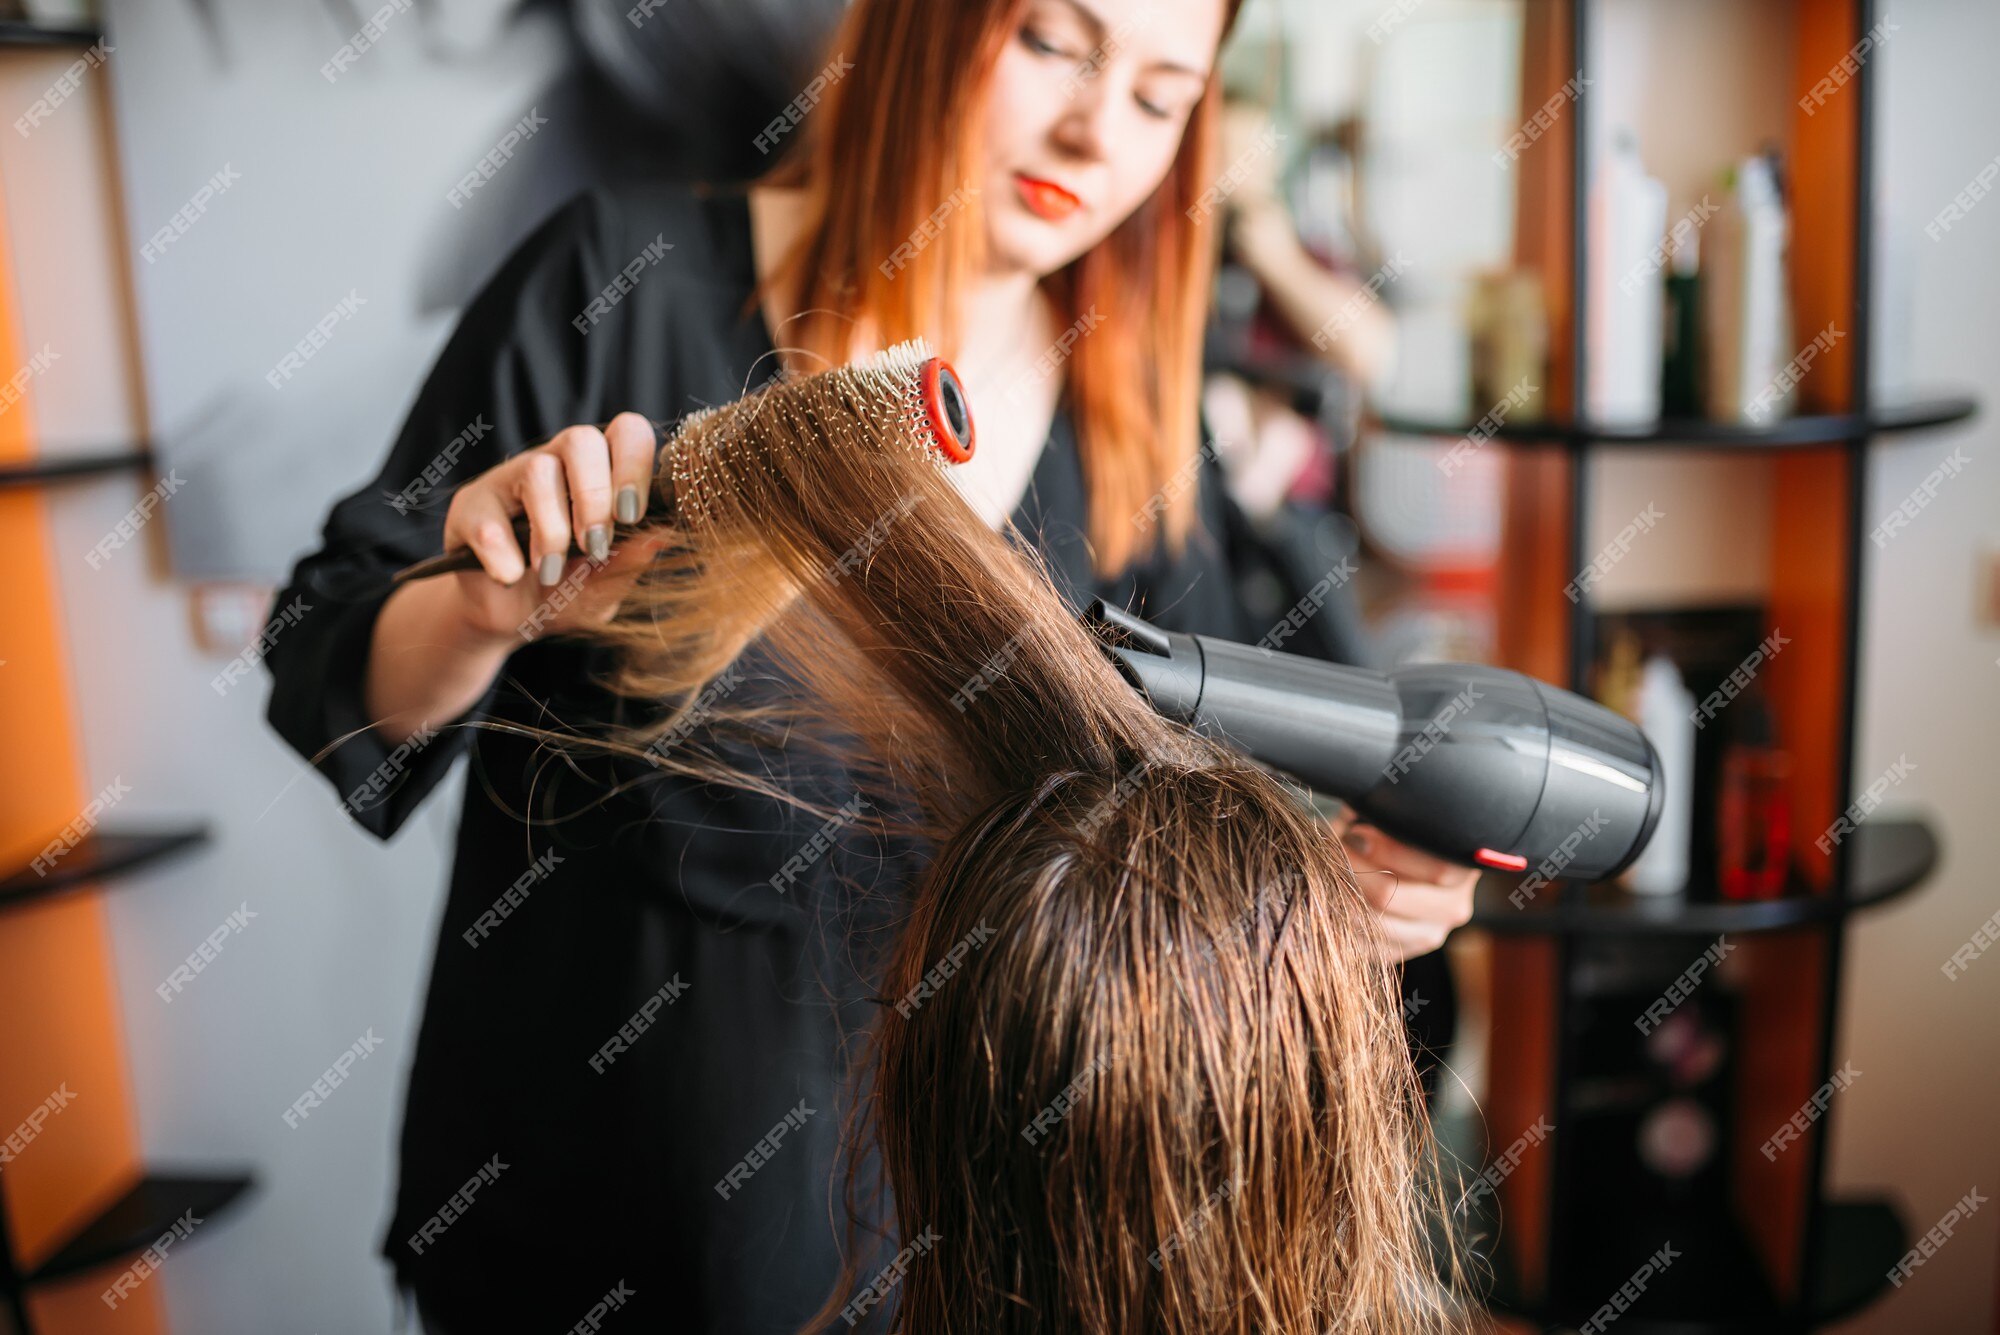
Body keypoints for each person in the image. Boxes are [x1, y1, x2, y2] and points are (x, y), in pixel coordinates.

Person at [262, 0, 1476, 1328]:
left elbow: (1153, 832)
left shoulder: (1136, 431)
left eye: (1158, 95)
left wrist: (1339, 886)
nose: (1093, 126)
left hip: (939, 1259)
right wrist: (487, 609)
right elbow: (329, 679)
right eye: (1056, 44)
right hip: (572, 1241)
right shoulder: (617, 283)